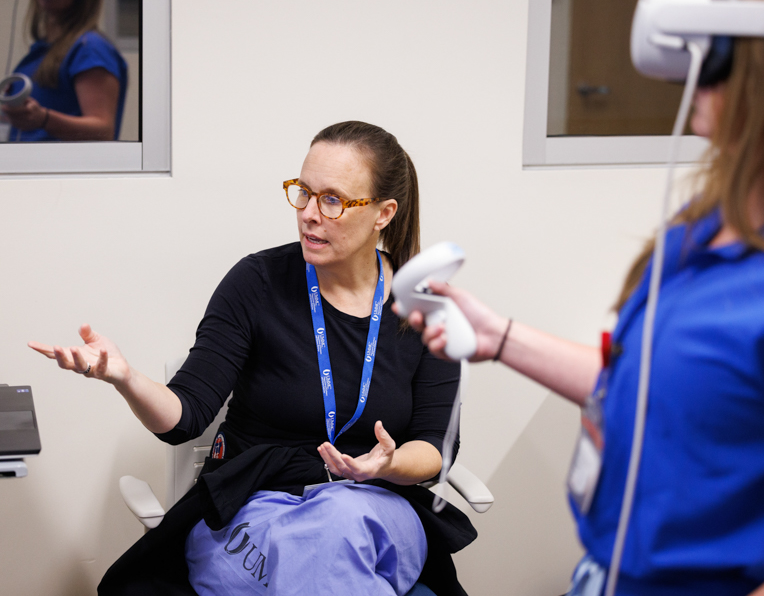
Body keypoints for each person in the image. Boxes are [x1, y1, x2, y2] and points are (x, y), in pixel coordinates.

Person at [406, 0, 764, 594]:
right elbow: (637, 387)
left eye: (717, 58)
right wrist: (499, 337)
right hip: (608, 574)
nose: (689, 74)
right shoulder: (696, 231)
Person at [29, 121, 475, 596]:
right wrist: (125, 377)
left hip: (371, 509)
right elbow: (185, 417)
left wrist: (383, 466)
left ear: (384, 213)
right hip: (252, 504)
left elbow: (434, 448)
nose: (308, 213)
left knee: (343, 524)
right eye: (302, 192)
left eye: (332, 200)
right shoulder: (256, 282)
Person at [1, 0, 127, 141]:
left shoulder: (90, 48)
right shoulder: (41, 51)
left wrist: (44, 119)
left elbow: (103, 132)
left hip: (66, 163)